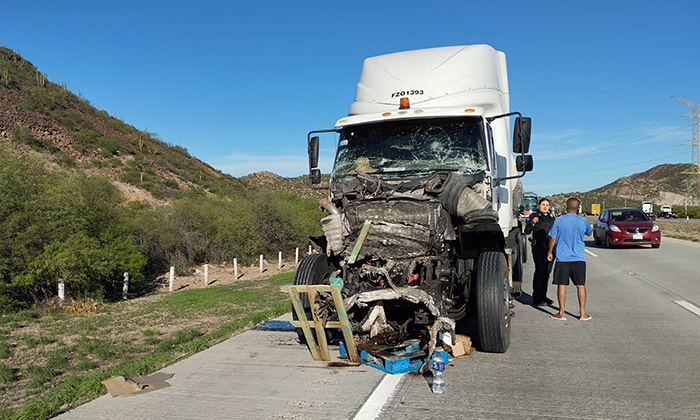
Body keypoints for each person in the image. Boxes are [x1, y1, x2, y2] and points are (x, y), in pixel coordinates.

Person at [547, 197, 593, 321]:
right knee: (580, 285)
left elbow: (552, 238)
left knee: (562, 285)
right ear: (578, 208)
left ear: (566, 207)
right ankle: (582, 314)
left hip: (563, 258)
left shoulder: (559, 220)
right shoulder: (583, 221)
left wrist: (550, 252)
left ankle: (561, 313)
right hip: (579, 258)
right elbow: (589, 233)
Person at [524, 197, 555, 306]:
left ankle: (543, 295)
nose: (545, 207)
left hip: (550, 248)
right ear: (538, 206)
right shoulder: (534, 216)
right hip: (538, 247)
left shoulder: (552, 218)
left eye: (547, 205)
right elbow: (527, 231)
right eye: (543, 205)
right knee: (540, 271)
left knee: (547, 272)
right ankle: (536, 297)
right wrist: (532, 223)